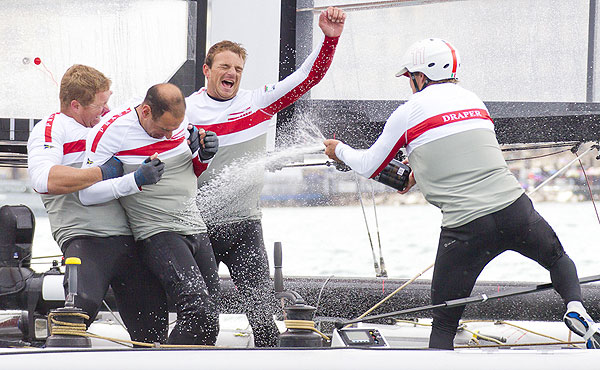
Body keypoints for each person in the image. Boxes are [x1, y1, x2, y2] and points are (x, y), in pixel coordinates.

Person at [323, 38, 600, 350]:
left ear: (420, 76)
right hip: (515, 210)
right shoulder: (474, 101)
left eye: (409, 78)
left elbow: (370, 163)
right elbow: (465, 150)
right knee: (557, 259)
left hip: (467, 229)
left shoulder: (409, 111)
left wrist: (339, 151)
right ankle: (576, 307)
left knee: (443, 323)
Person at [185, 6, 347, 347]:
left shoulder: (257, 103)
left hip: (245, 225)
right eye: (225, 67)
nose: (232, 73)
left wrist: (329, 40)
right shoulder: (184, 111)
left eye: (238, 69)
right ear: (207, 70)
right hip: (199, 227)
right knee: (204, 321)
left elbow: (308, 77)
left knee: (264, 322)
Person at [27, 64, 166, 343]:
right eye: (99, 105)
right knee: (77, 315)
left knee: (152, 325)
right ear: (75, 105)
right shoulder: (51, 129)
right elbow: (44, 179)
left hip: (128, 237)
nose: (106, 111)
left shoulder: (108, 124)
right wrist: (102, 171)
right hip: (86, 238)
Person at [79, 83, 221, 345]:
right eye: (164, 129)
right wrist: (135, 180)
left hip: (195, 225)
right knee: (199, 311)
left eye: (174, 129)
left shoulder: (176, 121)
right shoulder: (112, 131)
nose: (169, 136)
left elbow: (192, 168)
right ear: (145, 111)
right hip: (157, 231)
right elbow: (86, 194)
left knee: (211, 319)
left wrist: (206, 154)